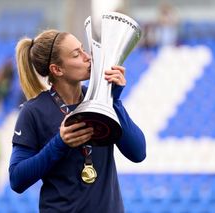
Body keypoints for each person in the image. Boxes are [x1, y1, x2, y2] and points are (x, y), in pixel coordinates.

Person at [8, 29, 146, 212]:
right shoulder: (33, 111)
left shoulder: (100, 98)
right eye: (76, 54)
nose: (87, 57)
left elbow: (138, 153)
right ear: (57, 70)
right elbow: (17, 179)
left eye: (83, 49)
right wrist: (60, 143)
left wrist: (114, 101)